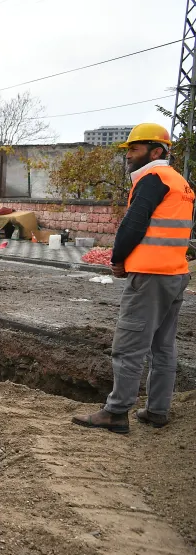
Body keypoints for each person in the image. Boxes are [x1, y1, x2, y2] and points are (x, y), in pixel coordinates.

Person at [73, 123, 194, 433]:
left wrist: (117, 259)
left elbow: (133, 223)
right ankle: (157, 410)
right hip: (175, 274)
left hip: (150, 276)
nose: (128, 155)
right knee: (163, 347)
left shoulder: (153, 179)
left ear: (156, 152)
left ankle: (116, 412)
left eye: (134, 149)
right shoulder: (180, 183)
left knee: (129, 346)